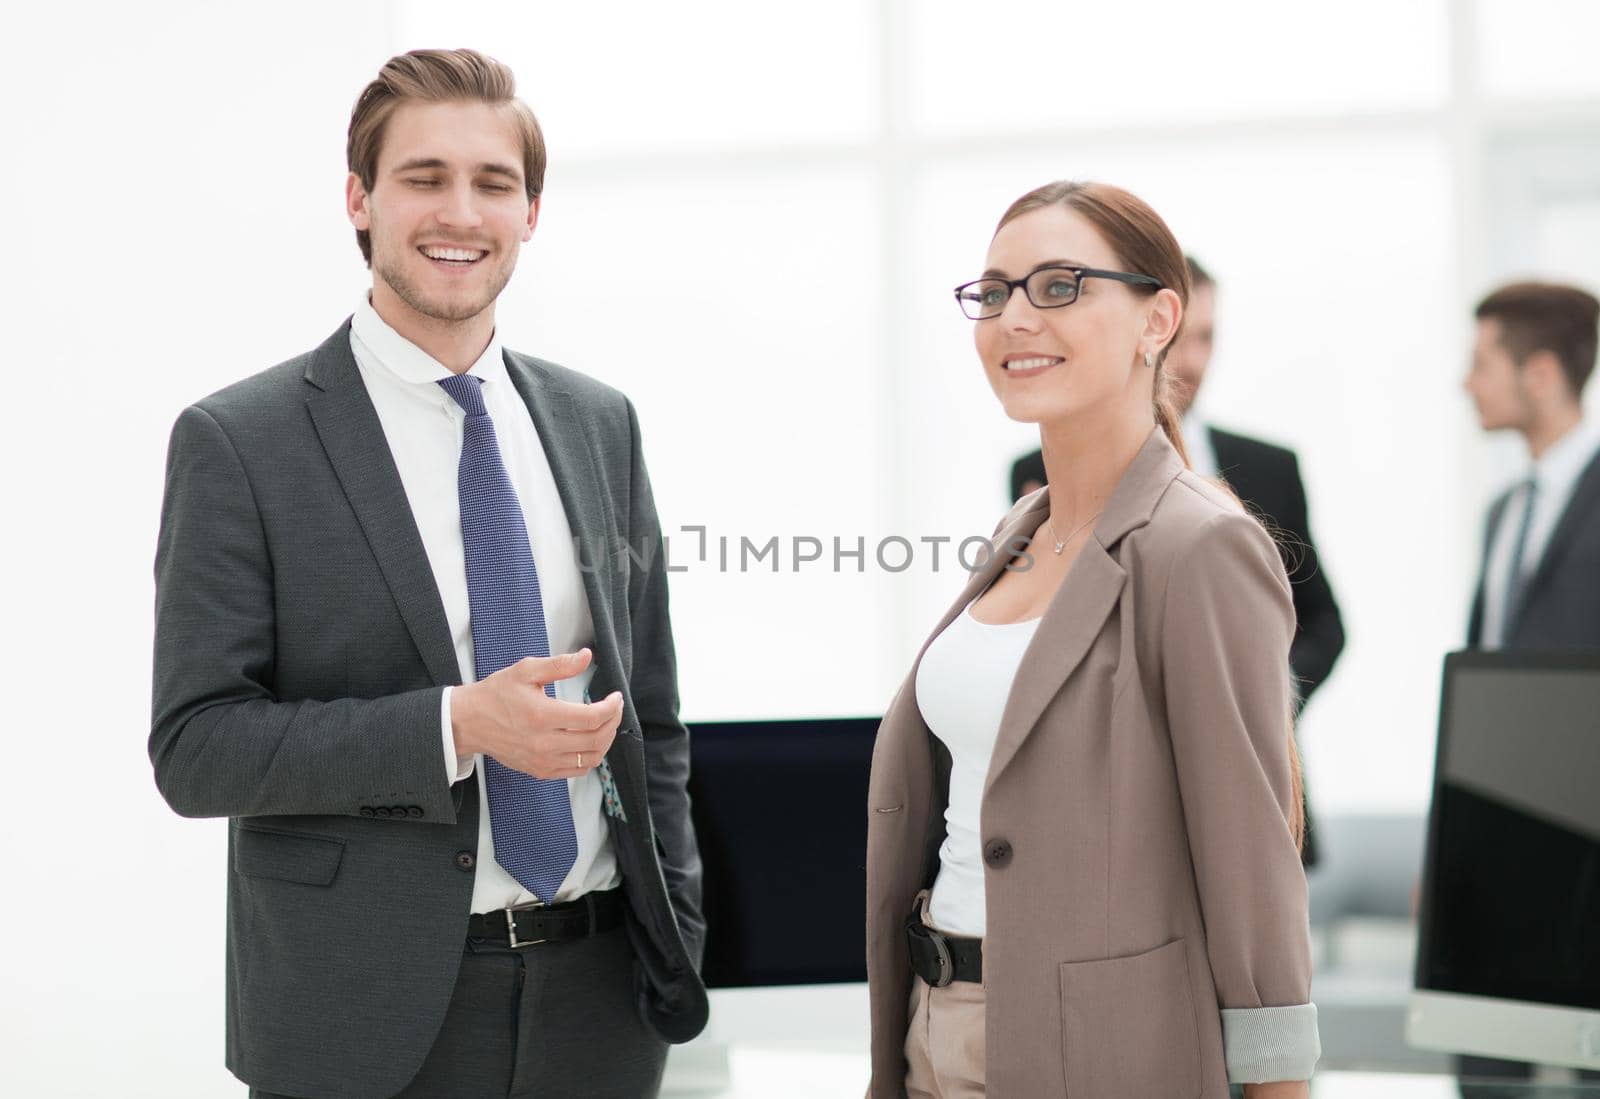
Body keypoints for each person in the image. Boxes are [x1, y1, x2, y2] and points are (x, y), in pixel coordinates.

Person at [150, 49, 706, 1098]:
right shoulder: (241, 441)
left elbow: (655, 719)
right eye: (423, 177)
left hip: (600, 1003)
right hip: (358, 1010)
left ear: (530, 212)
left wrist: (676, 920)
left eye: (494, 182)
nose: (461, 210)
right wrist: (455, 725)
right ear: (360, 199)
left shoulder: (598, 423)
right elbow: (196, 749)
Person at [865, 180, 1319, 1098]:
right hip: (935, 1023)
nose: (1015, 318)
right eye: (993, 292)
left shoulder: (1200, 544)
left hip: (1098, 1048)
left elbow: (1251, 861)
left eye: (1060, 285)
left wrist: (1280, 1084)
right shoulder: (1019, 529)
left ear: (1159, 319)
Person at [1010, 259, 1343, 864]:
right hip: (1105, 799)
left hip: (1254, 785)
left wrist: (1246, 698)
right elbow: (1040, 629)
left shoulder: (1270, 469)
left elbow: (1323, 624)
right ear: (1144, 333)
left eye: (1209, 338)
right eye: (1182, 339)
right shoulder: (1041, 475)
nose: (1192, 361)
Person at [1458, 279, 1600, 1093]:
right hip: (1498, 838)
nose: (1465, 381)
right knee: (1482, 1061)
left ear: (1540, 373)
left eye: (1482, 362)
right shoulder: (1504, 509)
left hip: (1583, 836)